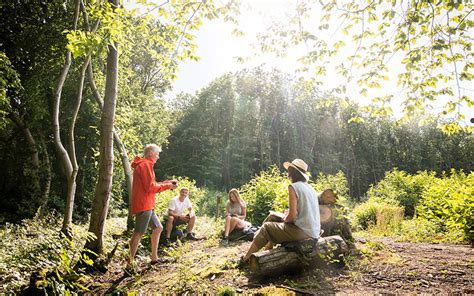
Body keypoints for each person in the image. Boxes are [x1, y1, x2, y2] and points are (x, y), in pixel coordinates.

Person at [241, 158, 321, 263]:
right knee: (273, 217)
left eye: (289, 171)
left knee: (266, 227)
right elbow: (303, 212)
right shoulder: (310, 188)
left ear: (292, 172)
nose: (288, 173)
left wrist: (285, 219)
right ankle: (267, 249)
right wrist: (286, 216)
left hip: (304, 232)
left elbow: (292, 216)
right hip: (313, 230)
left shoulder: (294, 187)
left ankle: (246, 258)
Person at [128, 144, 178, 267]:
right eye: (157, 154)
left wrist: (168, 183)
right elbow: (150, 187)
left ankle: (154, 259)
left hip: (148, 204)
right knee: (138, 233)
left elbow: (152, 184)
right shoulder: (146, 165)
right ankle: (129, 265)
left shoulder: (146, 165)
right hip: (144, 205)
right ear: (151, 153)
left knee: (158, 228)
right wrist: (168, 186)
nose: (158, 157)